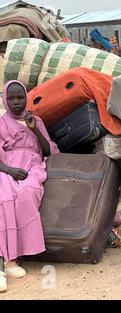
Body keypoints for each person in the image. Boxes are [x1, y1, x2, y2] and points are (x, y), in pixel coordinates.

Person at [0, 81, 59, 293]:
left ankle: (18, 255)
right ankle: (7, 262)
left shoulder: (36, 121)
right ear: (5, 100)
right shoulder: (1, 123)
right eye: (11, 98)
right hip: (6, 167)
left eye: (20, 98)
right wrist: (8, 170)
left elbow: (48, 152)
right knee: (6, 197)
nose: (16, 102)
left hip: (32, 167)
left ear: (26, 98)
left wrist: (35, 130)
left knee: (26, 194)